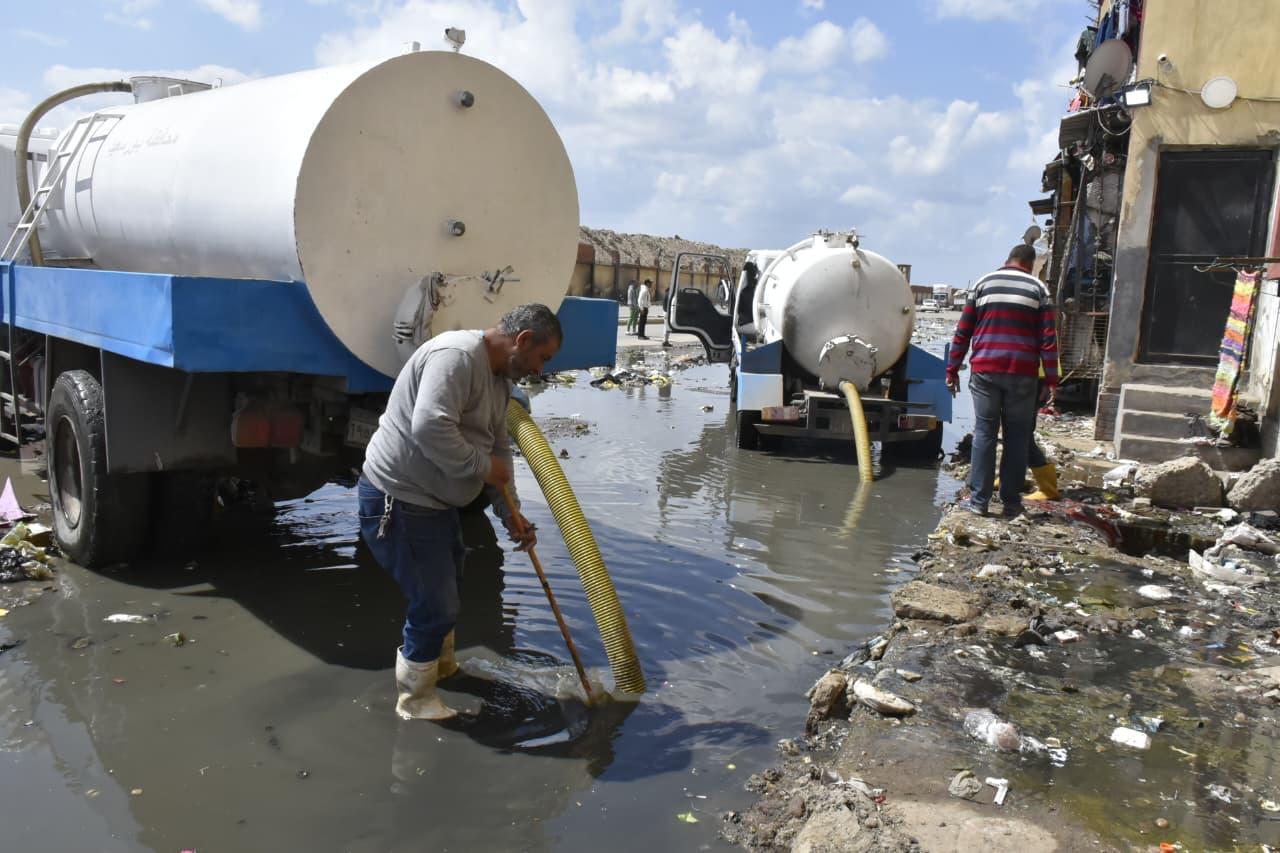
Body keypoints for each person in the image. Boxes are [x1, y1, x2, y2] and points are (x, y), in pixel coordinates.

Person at [358, 304, 561, 721]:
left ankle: (440, 666)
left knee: (450, 585)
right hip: (401, 497)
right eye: (543, 358)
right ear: (522, 340)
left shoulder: (500, 381)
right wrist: (484, 468)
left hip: (436, 502)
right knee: (435, 603)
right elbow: (429, 425)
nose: (540, 371)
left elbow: (498, 448)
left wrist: (511, 514)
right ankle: (415, 701)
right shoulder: (456, 357)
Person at [946, 244, 1058, 517]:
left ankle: (979, 502)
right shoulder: (1038, 289)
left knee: (985, 432)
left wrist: (952, 369)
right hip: (1022, 372)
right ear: (1030, 264)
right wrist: (1051, 380)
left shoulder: (983, 284)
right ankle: (1011, 502)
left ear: (1008, 260)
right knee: (1017, 436)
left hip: (985, 369)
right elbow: (1048, 339)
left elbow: (963, 332)